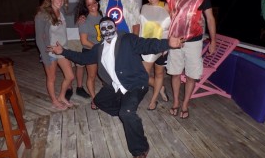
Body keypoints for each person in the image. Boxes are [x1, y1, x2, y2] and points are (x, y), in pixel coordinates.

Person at [49, 17, 183, 158]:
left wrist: (167, 43)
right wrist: (63, 51)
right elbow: (82, 58)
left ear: (115, 28)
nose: (107, 30)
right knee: (99, 101)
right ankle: (124, 114)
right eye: (103, 28)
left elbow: (146, 44)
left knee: (127, 113)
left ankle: (141, 149)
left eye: (109, 27)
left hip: (135, 84)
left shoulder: (127, 40)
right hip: (116, 85)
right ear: (100, 32)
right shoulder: (99, 48)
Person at [166, 0, 216, 119]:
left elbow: (209, 18)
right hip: (175, 41)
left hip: (194, 41)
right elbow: (167, 18)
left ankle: (185, 104)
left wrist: (213, 41)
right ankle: (175, 102)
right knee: (174, 73)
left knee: (191, 75)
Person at [35, 0, 75, 110]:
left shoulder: (61, 11)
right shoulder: (42, 15)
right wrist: (45, 55)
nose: (60, 1)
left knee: (70, 76)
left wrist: (81, 18)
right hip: (50, 51)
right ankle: (54, 101)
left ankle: (62, 96)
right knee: (51, 78)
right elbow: (39, 38)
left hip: (62, 50)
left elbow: (72, 15)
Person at [139, 0, 171, 110]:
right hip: (147, 46)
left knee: (159, 74)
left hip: (161, 46)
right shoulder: (144, 7)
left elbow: (173, 27)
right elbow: (141, 27)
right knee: (143, 75)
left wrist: (166, 46)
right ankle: (161, 87)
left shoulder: (167, 7)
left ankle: (154, 100)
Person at [61, 0, 90, 99]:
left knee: (80, 64)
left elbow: (88, 13)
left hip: (79, 36)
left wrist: (84, 18)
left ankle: (79, 87)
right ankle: (68, 88)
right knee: (67, 64)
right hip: (63, 36)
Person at [74, 0, 102, 110]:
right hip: (91, 51)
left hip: (102, 51)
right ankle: (94, 99)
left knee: (105, 75)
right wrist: (99, 48)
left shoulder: (102, 16)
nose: (92, 6)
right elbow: (84, 41)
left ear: (97, 3)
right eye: (89, 4)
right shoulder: (84, 21)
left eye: (94, 2)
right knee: (92, 76)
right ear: (86, 6)